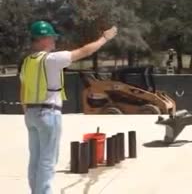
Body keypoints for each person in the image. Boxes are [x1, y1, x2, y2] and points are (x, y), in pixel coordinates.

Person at [19, 20, 118, 194]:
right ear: (42, 39)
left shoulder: (27, 62)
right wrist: (104, 38)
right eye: (51, 37)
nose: (54, 41)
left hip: (31, 114)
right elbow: (84, 51)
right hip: (48, 114)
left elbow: (23, 89)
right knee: (47, 161)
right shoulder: (52, 59)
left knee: (35, 159)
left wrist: (27, 111)